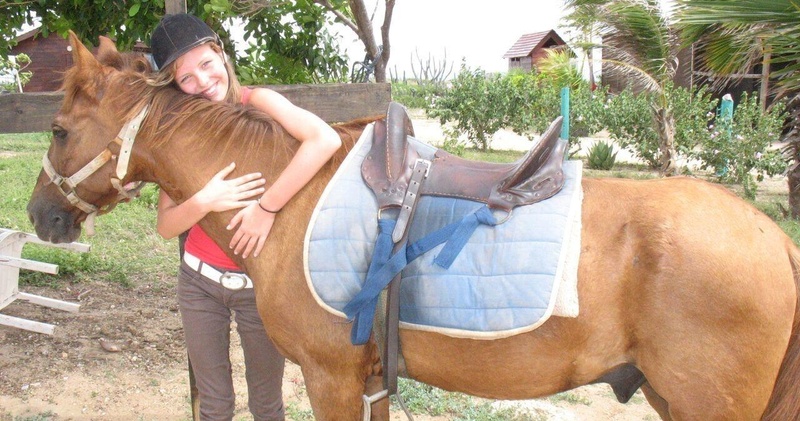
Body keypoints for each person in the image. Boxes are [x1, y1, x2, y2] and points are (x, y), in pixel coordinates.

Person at [148, 13, 342, 421]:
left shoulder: (258, 102)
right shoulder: (183, 130)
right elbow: (166, 227)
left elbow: (325, 139)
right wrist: (204, 200)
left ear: (220, 55)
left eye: (205, 64)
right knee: (214, 404)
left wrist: (266, 208)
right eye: (186, 78)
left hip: (259, 283)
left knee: (267, 403)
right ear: (176, 86)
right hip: (199, 283)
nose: (201, 82)